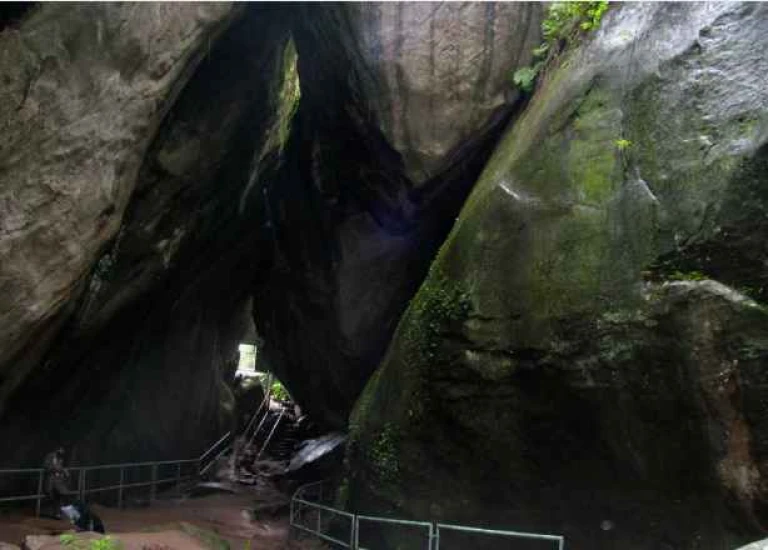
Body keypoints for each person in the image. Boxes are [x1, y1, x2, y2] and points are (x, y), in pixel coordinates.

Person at [43, 447, 70, 518]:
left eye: (63, 450)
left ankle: (57, 512)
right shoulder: (50, 456)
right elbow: (46, 466)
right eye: (60, 450)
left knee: (62, 494)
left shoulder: (60, 458)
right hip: (50, 480)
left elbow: (61, 467)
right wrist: (60, 469)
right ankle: (52, 512)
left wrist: (64, 471)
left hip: (58, 480)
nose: (62, 451)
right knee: (50, 494)